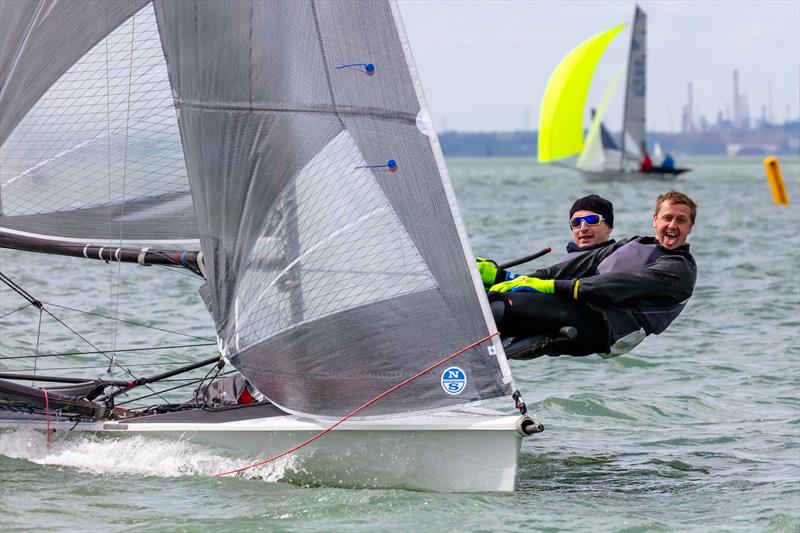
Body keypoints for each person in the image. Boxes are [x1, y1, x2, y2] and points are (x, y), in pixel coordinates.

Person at [488, 190, 698, 358]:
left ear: (690, 227)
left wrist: (550, 286)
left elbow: (614, 285)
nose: (672, 225)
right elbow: (574, 266)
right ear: (655, 220)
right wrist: (503, 277)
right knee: (489, 299)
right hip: (579, 308)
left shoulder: (679, 269)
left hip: (603, 327)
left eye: (680, 220)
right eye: (667, 218)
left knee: (502, 307)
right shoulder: (634, 242)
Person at [476, 194, 616, 288]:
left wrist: (503, 277)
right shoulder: (570, 258)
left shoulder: (616, 255)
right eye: (576, 223)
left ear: (609, 227)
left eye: (592, 220)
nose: (583, 228)